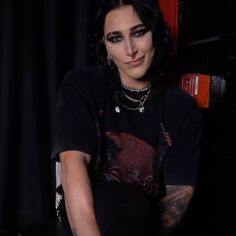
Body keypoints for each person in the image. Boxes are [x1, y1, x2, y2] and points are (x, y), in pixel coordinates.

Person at [51, 0, 203, 235]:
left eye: (139, 33)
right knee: (113, 200)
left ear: (156, 34)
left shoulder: (181, 107)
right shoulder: (83, 85)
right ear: (107, 47)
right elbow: (73, 164)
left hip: (140, 222)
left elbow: (180, 192)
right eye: (116, 38)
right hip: (81, 217)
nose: (130, 50)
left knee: (130, 206)